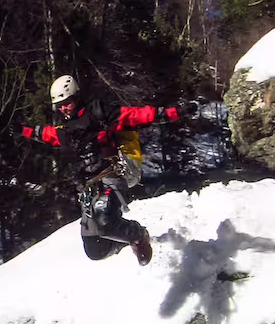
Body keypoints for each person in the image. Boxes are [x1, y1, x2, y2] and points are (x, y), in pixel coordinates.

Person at [16, 74, 195, 263]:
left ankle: (139, 234)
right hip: (88, 187)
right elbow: (46, 134)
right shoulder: (64, 128)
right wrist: (21, 129)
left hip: (110, 175)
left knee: (105, 223)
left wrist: (177, 112)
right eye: (59, 104)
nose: (63, 108)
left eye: (66, 102)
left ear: (76, 96)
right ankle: (125, 242)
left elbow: (138, 115)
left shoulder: (99, 112)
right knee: (95, 250)